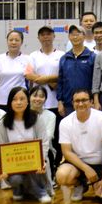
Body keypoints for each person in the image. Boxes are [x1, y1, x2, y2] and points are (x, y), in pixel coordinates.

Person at [56, 89, 102, 203]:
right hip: (78, 165)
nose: (80, 104)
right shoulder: (65, 122)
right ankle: (80, 185)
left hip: (100, 164)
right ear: (73, 103)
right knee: (62, 175)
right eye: (77, 101)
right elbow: (66, 152)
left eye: (84, 100)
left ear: (91, 102)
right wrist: (87, 169)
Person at [0, 87, 52, 203]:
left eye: (22, 99)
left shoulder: (36, 118)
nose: (19, 102)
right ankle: (19, 188)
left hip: (34, 163)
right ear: (10, 102)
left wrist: (41, 160)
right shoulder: (3, 123)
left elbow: (44, 142)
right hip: (14, 166)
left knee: (32, 165)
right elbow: (0, 148)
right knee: (16, 179)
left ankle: (39, 192)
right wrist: (3, 167)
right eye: (15, 99)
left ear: (27, 101)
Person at [28, 25, 64, 166]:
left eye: (48, 34)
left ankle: (56, 165)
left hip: (56, 102)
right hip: (38, 103)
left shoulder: (61, 55)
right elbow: (28, 74)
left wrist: (45, 79)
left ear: (54, 36)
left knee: (56, 137)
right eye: (43, 35)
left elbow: (63, 76)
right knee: (37, 135)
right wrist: (48, 79)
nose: (46, 37)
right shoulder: (33, 56)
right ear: (38, 38)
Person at [56, 25, 96, 118]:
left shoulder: (92, 57)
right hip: (68, 104)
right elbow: (60, 81)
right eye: (72, 34)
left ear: (84, 36)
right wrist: (60, 101)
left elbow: (96, 81)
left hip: (87, 103)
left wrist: (94, 100)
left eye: (78, 34)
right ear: (69, 37)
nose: (75, 37)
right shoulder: (64, 58)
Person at [0, 30, 33, 110]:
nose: (13, 42)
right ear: (7, 42)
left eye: (17, 40)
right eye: (11, 40)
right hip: (2, 100)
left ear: (21, 42)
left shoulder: (28, 59)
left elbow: (31, 81)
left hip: (20, 100)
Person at [29, 85, 57, 186]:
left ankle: (49, 179)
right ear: (29, 97)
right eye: (35, 95)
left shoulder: (51, 115)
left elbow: (48, 136)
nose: (38, 99)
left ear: (45, 99)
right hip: (26, 149)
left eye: (41, 96)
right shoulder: (22, 114)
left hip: (45, 148)